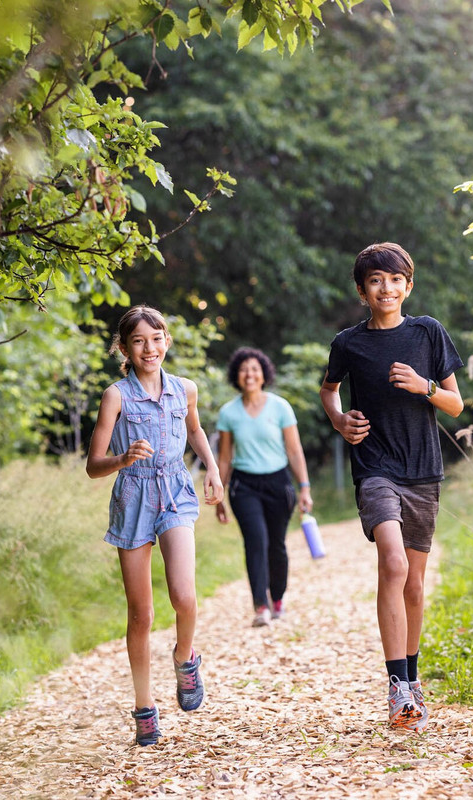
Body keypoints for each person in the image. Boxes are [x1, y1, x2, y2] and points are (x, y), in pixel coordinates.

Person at [319, 242, 463, 732]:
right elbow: (329, 390)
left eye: (395, 279)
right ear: (363, 291)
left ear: (408, 285)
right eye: (376, 280)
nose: (387, 287)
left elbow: (456, 404)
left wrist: (425, 386)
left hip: (422, 470)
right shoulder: (349, 343)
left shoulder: (428, 333)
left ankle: (413, 679)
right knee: (394, 564)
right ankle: (397, 685)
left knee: (415, 585)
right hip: (375, 467)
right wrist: (339, 420)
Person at [86, 305, 224, 747]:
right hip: (133, 498)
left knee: (184, 596)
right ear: (124, 348)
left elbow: (195, 431)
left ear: (167, 341)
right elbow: (93, 465)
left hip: (176, 492)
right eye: (139, 341)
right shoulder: (116, 396)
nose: (150, 348)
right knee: (141, 614)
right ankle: (144, 707)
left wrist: (212, 469)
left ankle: (185, 657)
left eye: (157, 338)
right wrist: (123, 458)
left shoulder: (185, 389)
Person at [214, 348, 313, 627]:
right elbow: (225, 457)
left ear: (264, 374)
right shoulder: (228, 413)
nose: (249, 374)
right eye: (244, 369)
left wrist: (304, 487)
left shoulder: (280, 407)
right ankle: (260, 605)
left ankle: (277, 597)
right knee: (256, 541)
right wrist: (219, 495)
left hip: (278, 483)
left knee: (276, 545)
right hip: (244, 485)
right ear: (236, 375)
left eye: (255, 369)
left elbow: (294, 451)